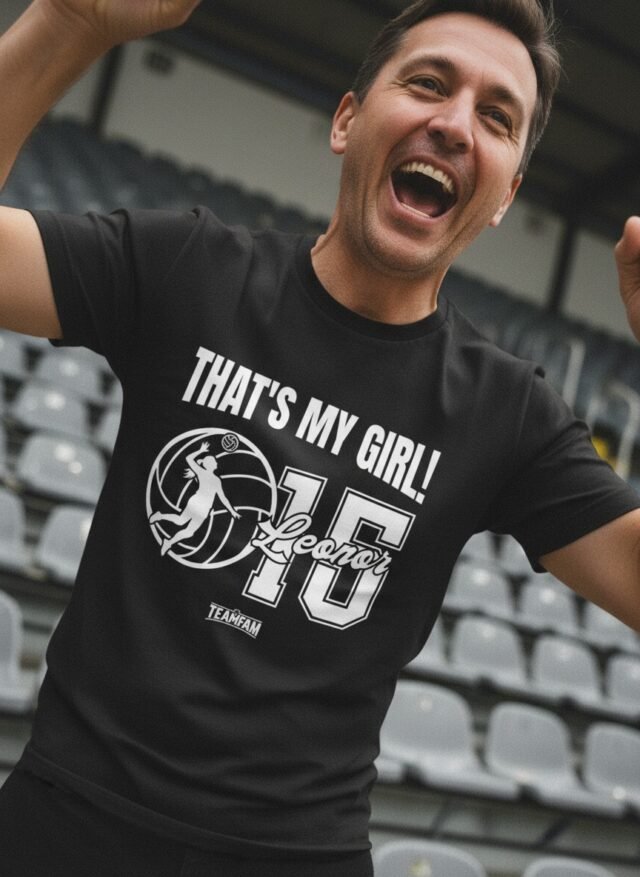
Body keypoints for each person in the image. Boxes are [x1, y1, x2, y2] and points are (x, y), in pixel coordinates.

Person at [0, 1, 639, 875]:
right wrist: (68, 21)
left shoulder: (509, 410)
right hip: (65, 822)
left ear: (504, 199)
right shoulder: (191, 269)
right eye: (429, 83)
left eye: (497, 118)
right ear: (347, 120)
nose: (456, 125)